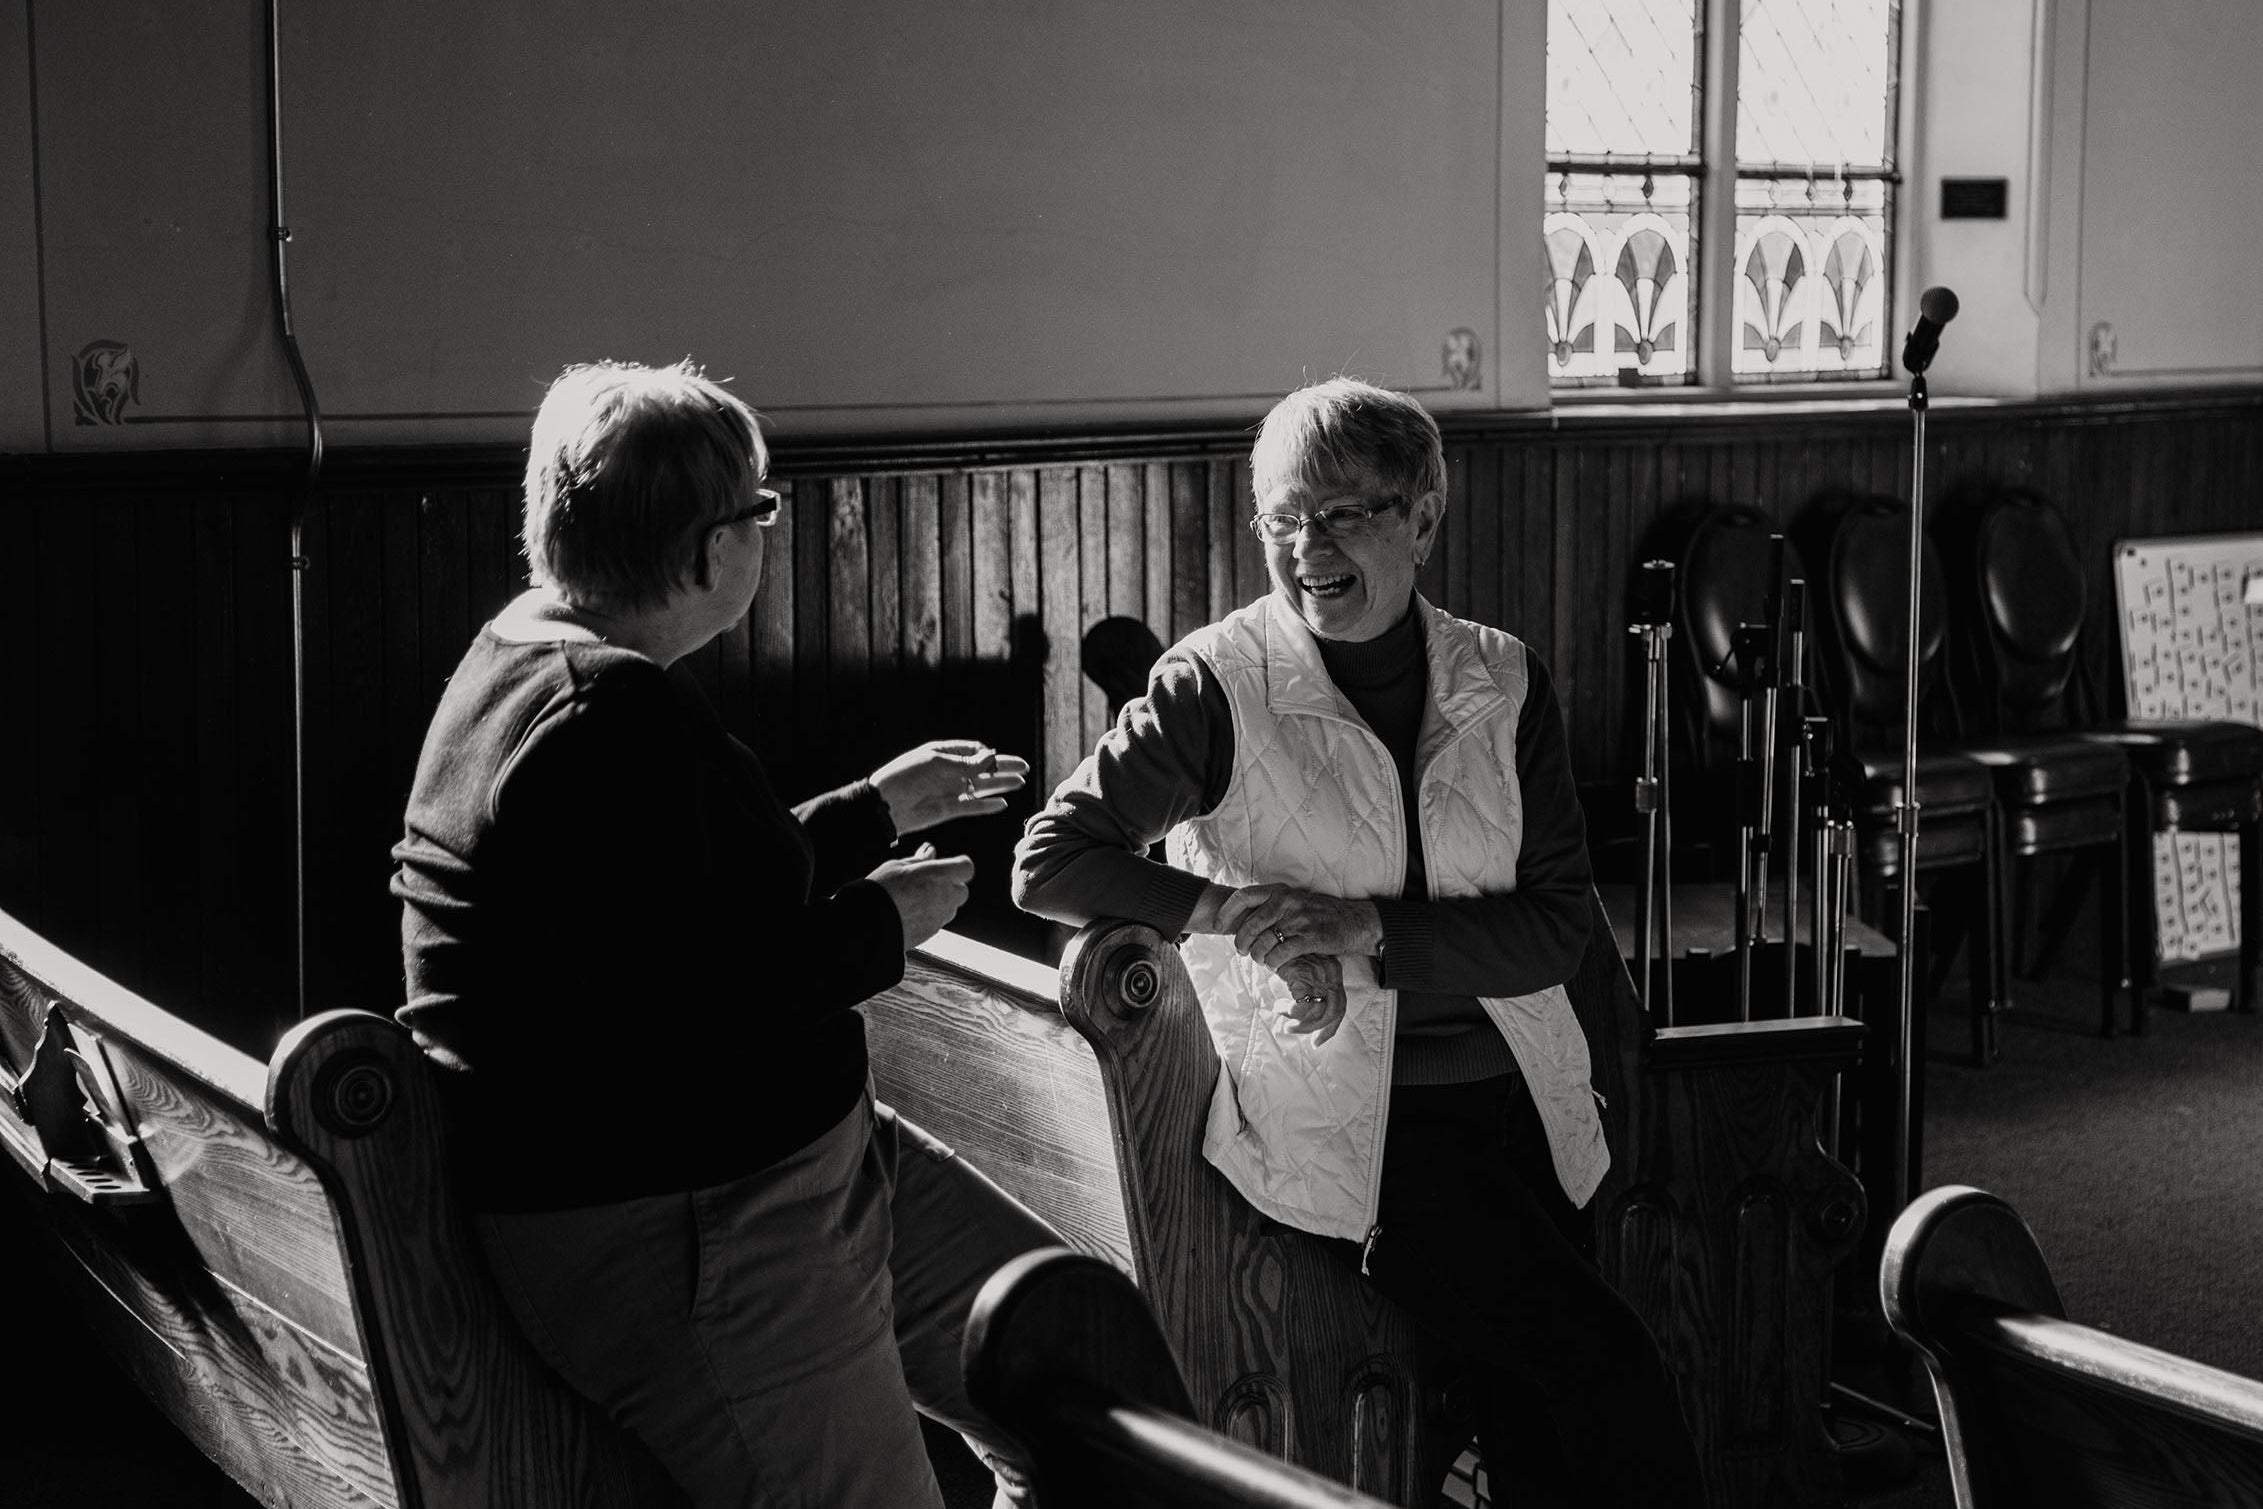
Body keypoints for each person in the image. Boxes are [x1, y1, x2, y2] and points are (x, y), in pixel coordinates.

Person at [1012, 377, 1705, 1509]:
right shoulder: (1215, 684)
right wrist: (1235, 915)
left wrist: (1366, 930)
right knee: (1603, 1364)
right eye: (1282, 518)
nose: (1305, 547)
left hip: (1525, 1102)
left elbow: (1555, 931)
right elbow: (1050, 861)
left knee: (1532, 1413)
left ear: (1423, 515)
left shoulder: (1502, 677)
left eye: (1342, 515)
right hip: (1353, 1121)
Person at [392, 359, 1055, 1509]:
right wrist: (880, 927)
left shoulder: (528, 655)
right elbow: (686, 1012)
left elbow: (674, 902)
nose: (765, 531)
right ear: (706, 553)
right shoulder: (605, 714)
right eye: (760, 508)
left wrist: (875, 810)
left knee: (1073, 1352)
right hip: (700, 1227)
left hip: (775, 1168)